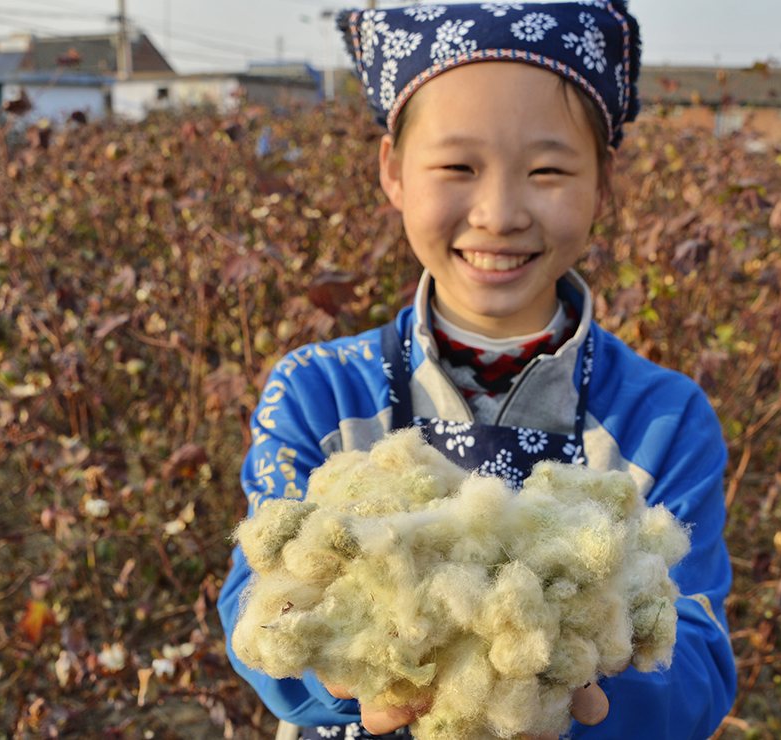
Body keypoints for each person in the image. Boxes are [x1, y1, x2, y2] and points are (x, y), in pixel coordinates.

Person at [217, 3, 737, 739]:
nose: (498, 213)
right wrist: (333, 665)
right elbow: (256, 605)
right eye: (458, 167)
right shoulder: (317, 392)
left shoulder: (663, 419)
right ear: (393, 170)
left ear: (603, 181)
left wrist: (577, 693)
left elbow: (700, 657)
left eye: (548, 170)